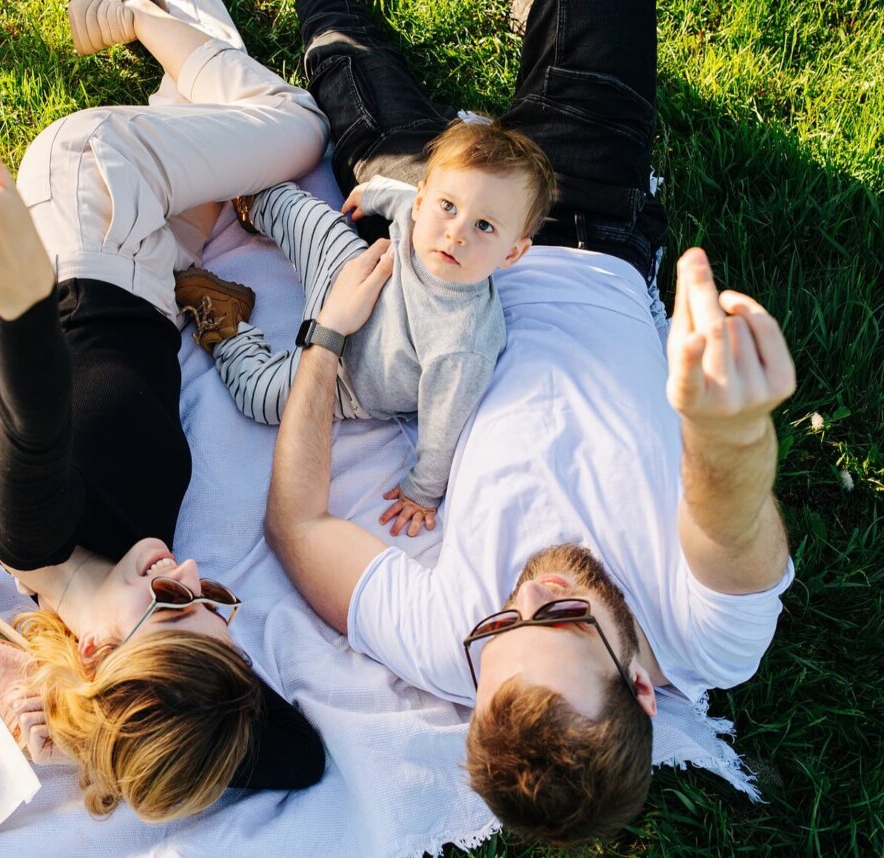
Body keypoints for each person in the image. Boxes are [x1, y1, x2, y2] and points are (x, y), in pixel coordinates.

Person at [265, 0, 797, 845]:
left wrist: (326, 337)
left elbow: (299, 523)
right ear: (643, 689)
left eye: (500, 627)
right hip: (589, 226)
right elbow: (733, 529)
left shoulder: (452, 645)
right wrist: (727, 431)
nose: (526, 595)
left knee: (339, 45)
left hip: (435, 246)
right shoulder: (707, 641)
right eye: (562, 620)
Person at [0, 0, 329, 822]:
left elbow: (35, 414)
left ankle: (140, 10)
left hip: (90, 200)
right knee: (226, 129)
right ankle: (184, 40)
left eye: (174, 605)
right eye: (212, 603)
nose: (188, 576)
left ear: (93, 651)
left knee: (297, 126)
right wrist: (103, 740)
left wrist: (16, 298)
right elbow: (299, 756)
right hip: (158, 262)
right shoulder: (126, 610)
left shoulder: (34, 529)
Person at [177, 118, 555, 535]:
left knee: (261, 397)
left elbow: (442, 427)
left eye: (484, 227)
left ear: (513, 254)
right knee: (313, 223)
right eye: (448, 207)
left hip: (342, 377)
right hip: (353, 272)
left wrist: (423, 490)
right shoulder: (418, 213)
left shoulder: (462, 344)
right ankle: (260, 199)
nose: (455, 234)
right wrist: (372, 193)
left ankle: (228, 325)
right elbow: (401, 196)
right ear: (425, 199)